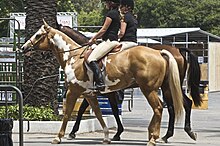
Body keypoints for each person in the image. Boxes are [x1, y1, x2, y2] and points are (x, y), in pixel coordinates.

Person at [87, 0, 121, 91]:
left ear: (111, 3)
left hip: (109, 41)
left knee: (91, 58)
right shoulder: (118, 14)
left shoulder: (111, 14)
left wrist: (93, 38)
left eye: (107, 2)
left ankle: (100, 83)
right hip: (115, 41)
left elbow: (103, 30)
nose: (106, 4)